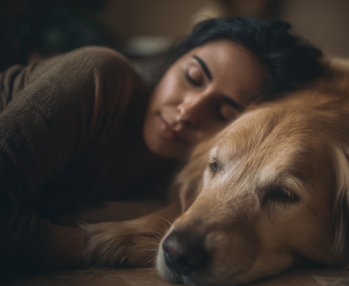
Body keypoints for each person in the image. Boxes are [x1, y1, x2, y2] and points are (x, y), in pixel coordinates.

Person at [0, 17, 325, 273]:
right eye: (193, 77)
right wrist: (102, 246)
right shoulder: (98, 75)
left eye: (224, 112)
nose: (186, 111)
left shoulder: (201, 178)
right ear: (173, 61)